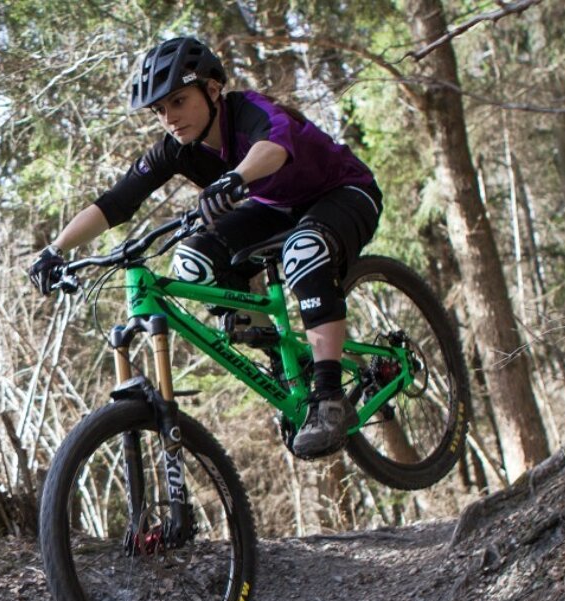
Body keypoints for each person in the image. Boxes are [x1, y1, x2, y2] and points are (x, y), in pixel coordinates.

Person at [29, 35, 384, 459]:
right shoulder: (177, 149)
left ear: (212, 89)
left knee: (303, 251)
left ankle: (329, 398)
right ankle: (279, 352)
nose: (169, 118)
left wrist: (236, 177)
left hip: (343, 191)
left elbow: (273, 148)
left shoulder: (249, 111)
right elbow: (116, 202)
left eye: (178, 101)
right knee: (192, 261)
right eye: (160, 110)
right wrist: (56, 249)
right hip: (277, 207)